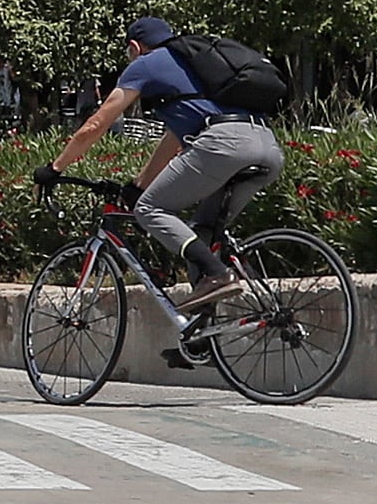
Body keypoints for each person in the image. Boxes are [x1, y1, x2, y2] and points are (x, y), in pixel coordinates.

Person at [36, 16, 284, 309]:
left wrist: (54, 169)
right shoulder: (194, 66)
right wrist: (139, 184)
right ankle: (203, 341)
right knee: (201, 237)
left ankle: (218, 274)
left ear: (134, 47)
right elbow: (175, 139)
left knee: (150, 209)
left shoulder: (145, 64)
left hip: (223, 144)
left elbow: (97, 124)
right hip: (266, 144)